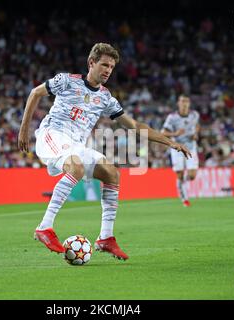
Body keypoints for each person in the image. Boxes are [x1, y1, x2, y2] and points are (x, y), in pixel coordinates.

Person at [18, 43, 191, 260]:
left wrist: (168, 142)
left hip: (76, 144)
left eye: (111, 66)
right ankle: (44, 227)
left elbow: (134, 125)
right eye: (104, 65)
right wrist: (24, 130)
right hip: (52, 134)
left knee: (112, 172)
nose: (108, 70)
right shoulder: (67, 81)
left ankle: (105, 238)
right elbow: (35, 93)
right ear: (91, 63)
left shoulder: (106, 98)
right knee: (76, 166)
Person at [162, 95, 200, 207]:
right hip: (177, 148)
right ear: (178, 103)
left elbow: (197, 126)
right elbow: (163, 132)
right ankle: (184, 198)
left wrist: (196, 134)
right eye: (182, 101)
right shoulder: (172, 117)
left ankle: (182, 183)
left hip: (191, 147)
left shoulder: (194, 115)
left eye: (186, 101)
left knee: (192, 175)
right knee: (180, 174)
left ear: (189, 103)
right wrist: (175, 134)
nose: (184, 103)